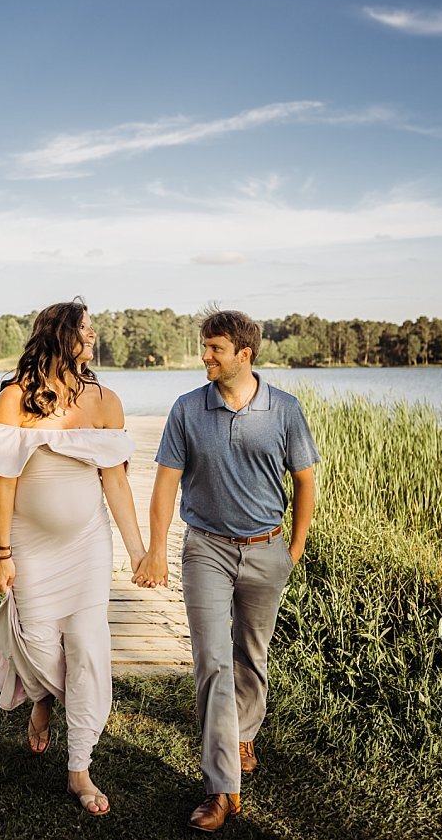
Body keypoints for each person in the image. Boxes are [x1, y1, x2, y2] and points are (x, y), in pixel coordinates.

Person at [0, 300, 145, 816]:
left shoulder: (106, 401)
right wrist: (3, 554)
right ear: (61, 335)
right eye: (84, 329)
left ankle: (79, 768)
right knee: (38, 641)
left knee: (87, 648)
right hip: (31, 547)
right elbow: (6, 484)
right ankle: (41, 697)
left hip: (88, 545)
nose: (92, 336)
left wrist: (139, 552)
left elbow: (116, 482)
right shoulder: (15, 398)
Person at [135, 310, 318, 833]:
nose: (205, 357)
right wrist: (154, 550)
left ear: (245, 353)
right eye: (204, 347)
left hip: (267, 549)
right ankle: (222, 786)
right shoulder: (188, 409)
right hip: (206, 551)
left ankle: (243, 732)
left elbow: (304, 480)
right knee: (212, 663)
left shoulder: (283, 409)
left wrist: (294, 549)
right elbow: (166, 483)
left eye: (215, 348)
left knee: (251, 654)